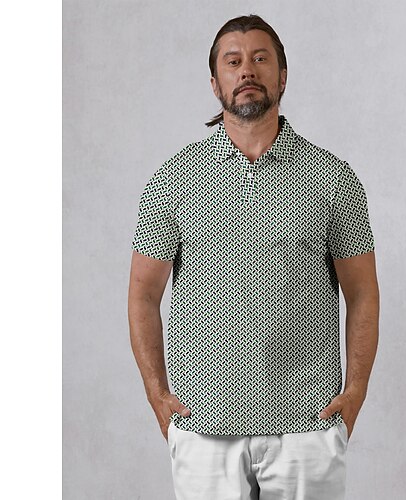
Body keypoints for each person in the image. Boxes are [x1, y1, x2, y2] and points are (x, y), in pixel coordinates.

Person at [128, 13, 379, 500]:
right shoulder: (173, 180)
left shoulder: (332, 178)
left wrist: (355, 393)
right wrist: (158, 396)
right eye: (233, 61)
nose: (247, 70)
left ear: (282, 77)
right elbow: (143, 294)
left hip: (308, 423)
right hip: (203, 424)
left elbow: (363, 292)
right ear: (215, 83)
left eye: (260, 58)